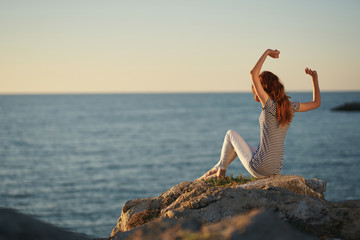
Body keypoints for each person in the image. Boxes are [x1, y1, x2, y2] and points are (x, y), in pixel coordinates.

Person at [197, 49, 321, 180]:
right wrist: (315, 78)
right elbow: (316, 103)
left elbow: (253, 73)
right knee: (240, 146)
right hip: (275, 169)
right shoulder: (290, 106)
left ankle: (220, 174)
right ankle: (215, 169)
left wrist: (267, 53)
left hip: (259, 168)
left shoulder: (268, 104)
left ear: (264, 88)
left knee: (230, 134)